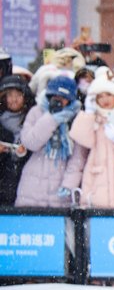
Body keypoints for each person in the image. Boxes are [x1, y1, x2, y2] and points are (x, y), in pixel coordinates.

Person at [68, 72, 114, 208]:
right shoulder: (94, 119)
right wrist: (88, 112)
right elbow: (82, 139)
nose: (105, 100)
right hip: (97, 188)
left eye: (109, 94)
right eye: (100, 96)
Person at [15, 76, 86, 207]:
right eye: (55, 96)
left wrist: (69, 184)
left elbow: (78, 158)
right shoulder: (37, 112)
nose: (58, 100)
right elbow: (31, 143)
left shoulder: (76, 118)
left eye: (63, 98)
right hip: (32, 184)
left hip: (60, 186)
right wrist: (52, 119)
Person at [0, 75, 34, 205]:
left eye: (18, 95)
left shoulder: (33, 119)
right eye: (9, 95)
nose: (13, 100)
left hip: (27, 182)